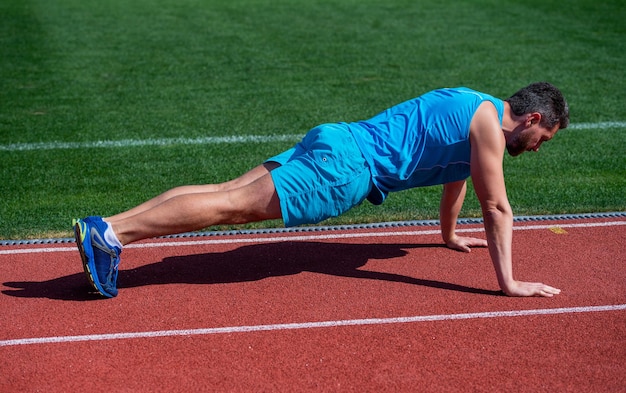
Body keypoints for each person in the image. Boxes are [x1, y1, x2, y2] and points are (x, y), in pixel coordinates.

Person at [73, 82, 569, 299]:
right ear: (532, 118)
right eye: (542, 138)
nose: (538, 147)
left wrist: (447, 235)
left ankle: (109, 228)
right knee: (232, 208)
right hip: (347, 167)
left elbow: (457, 177)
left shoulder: (471, 105)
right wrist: (509, 282)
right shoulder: (488, 125)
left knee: (227, 190)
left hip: (337, 137)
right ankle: (109, 236)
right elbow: (497, 205)